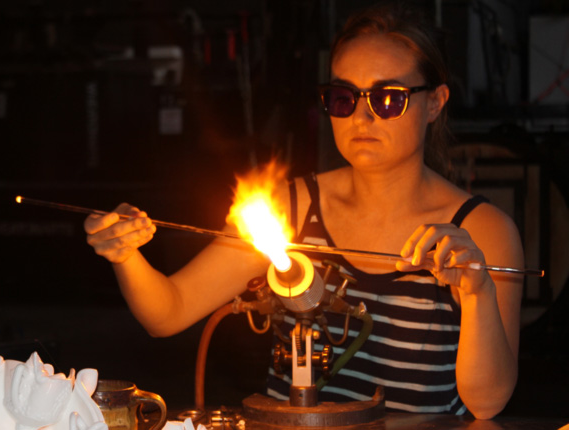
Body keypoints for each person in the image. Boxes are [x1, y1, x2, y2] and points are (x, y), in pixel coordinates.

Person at [84, 0, 523, 419]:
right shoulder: (290, 210)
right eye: (343, 97)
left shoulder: (480, 232)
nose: (361, 118)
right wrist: (124, 254)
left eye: (388, 97)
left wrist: (477, 291)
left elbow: (486, 403)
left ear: (434, 102)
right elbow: (169, 310)